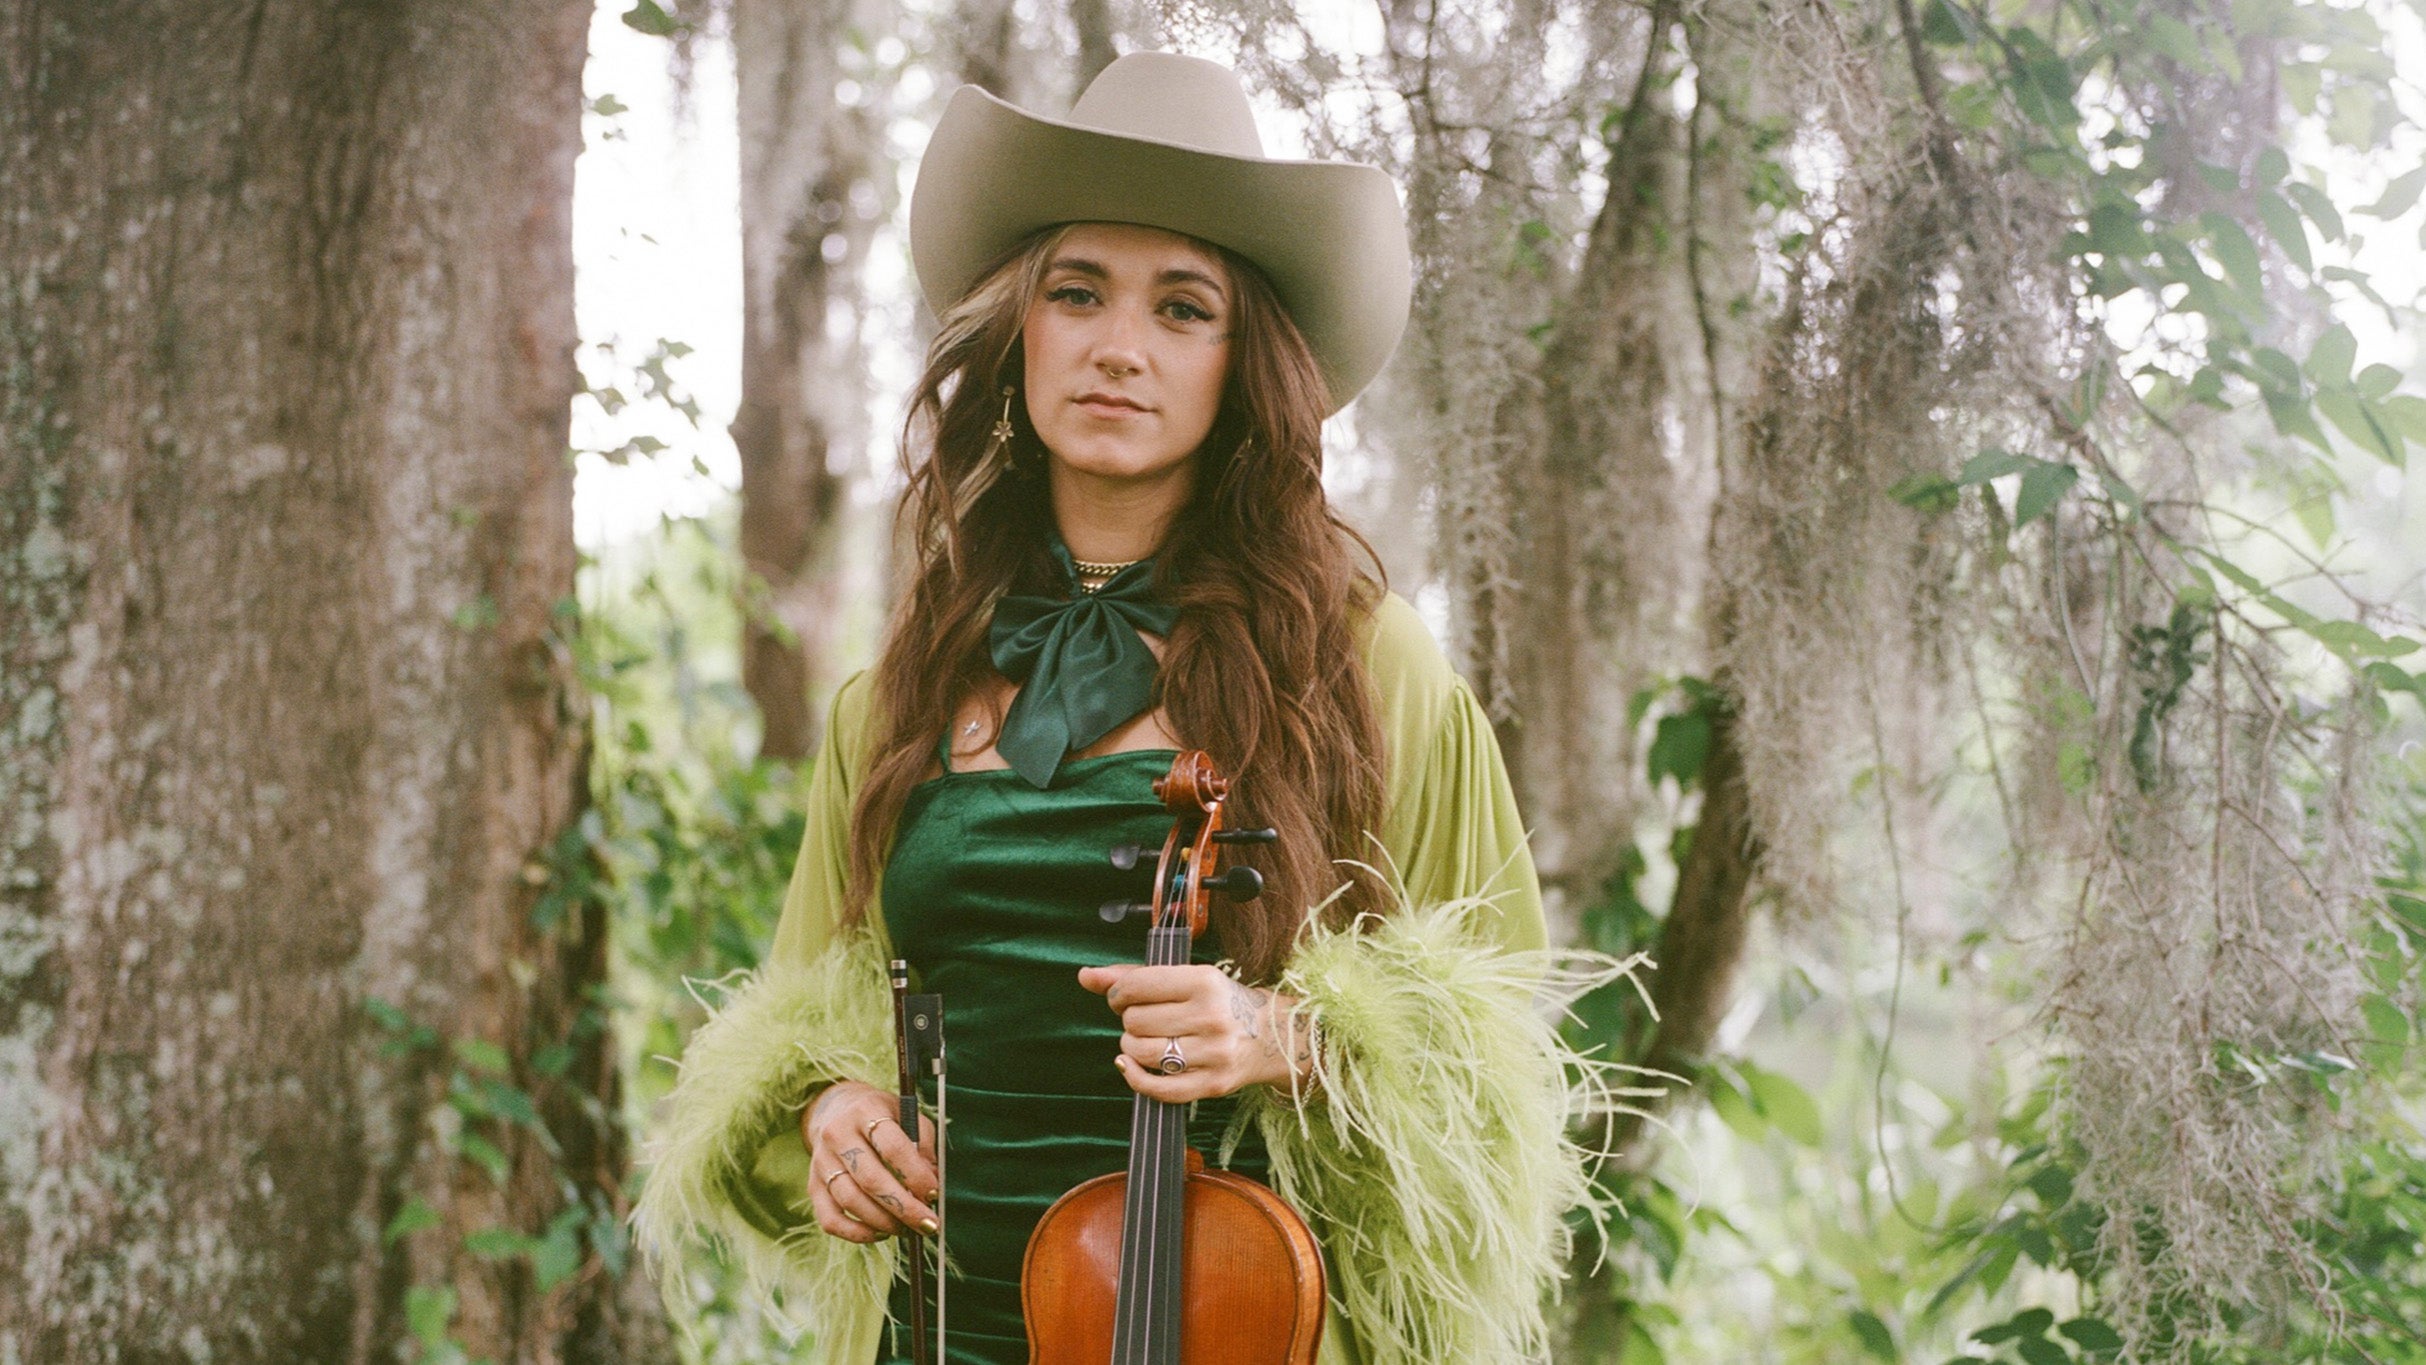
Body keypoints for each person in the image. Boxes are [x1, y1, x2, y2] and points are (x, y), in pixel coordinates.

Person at [637, 51, 1611, 1365]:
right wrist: (822, 1116)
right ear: (1019, 332)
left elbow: (1500, 1081)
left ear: (1244, 358)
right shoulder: (899, 696)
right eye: (1076, 291)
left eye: (1181, 308)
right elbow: (794, 1022)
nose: (1116, 347)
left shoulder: (1367, 670)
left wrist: (1291, 1035)